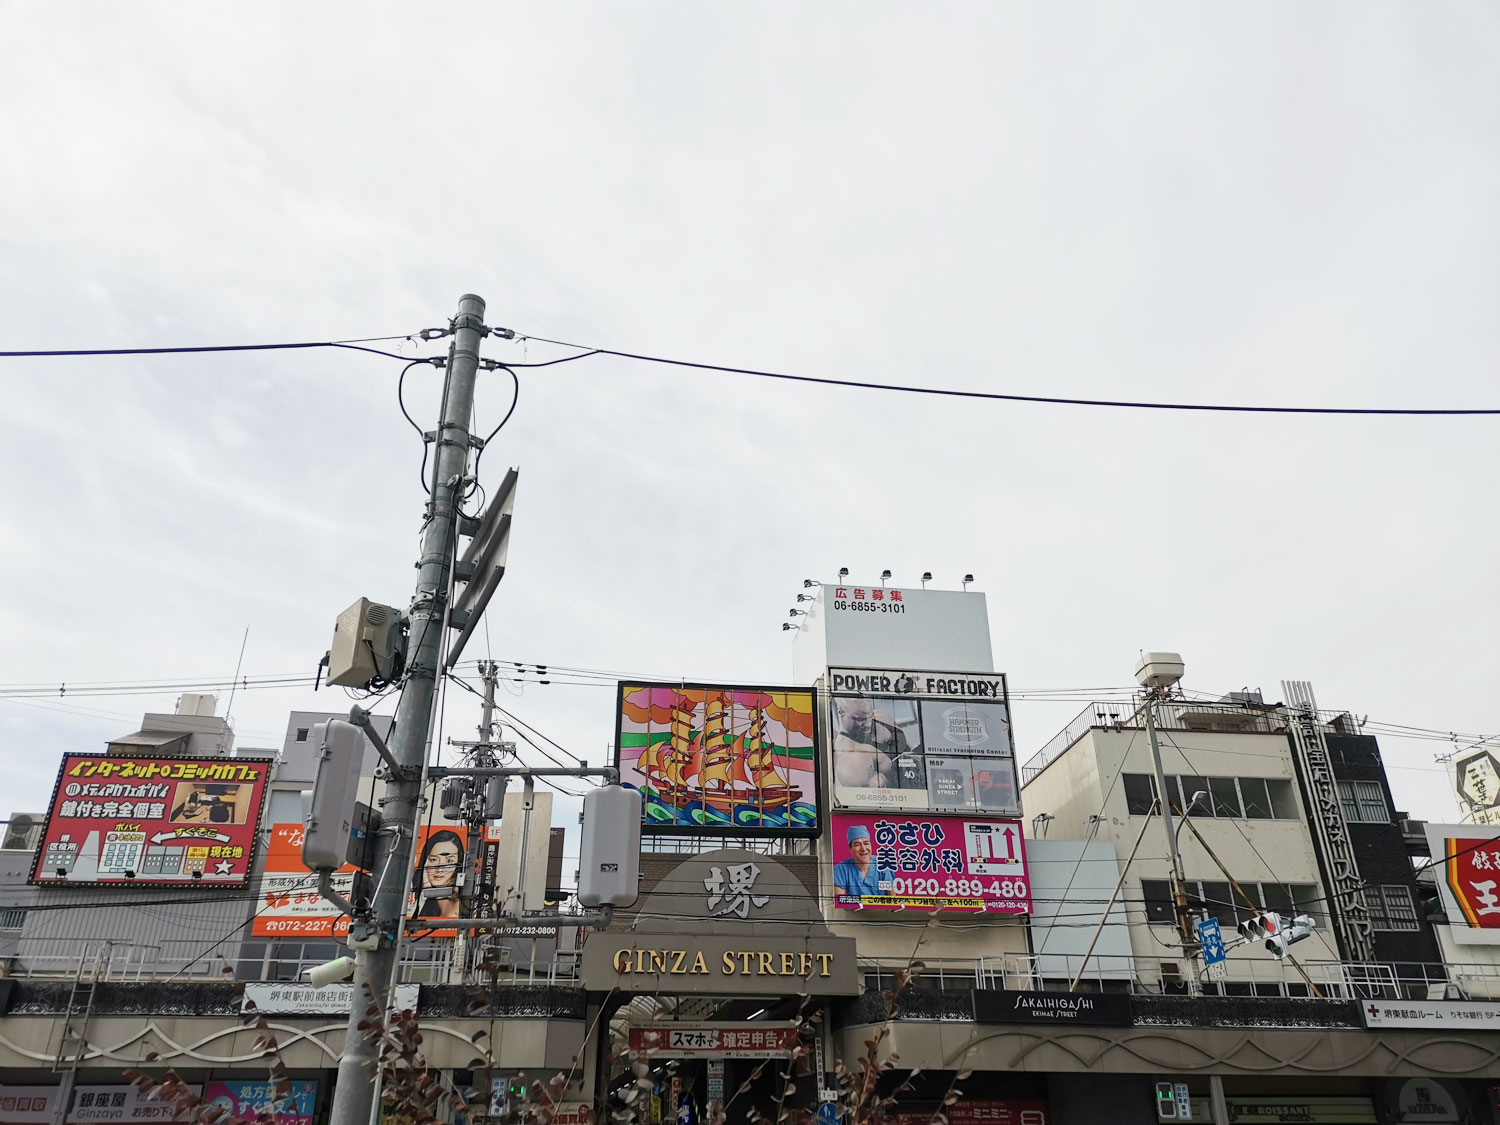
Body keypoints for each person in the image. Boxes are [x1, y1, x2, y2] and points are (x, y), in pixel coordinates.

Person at [832, 697, 916, 788]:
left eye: (870, 716)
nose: (868, 724)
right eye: (860, 719)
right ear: (841, 712)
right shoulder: (848, 758)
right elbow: (879, 789)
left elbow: (908, 750)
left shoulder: (881, 717)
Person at [831, 824, 895, 898]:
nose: (863, 848)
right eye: (857, 845)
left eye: (866, 843)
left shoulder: (881, 865)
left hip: (881, 909)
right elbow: (839, 901)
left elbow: (891, 897)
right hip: (853, 909)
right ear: (850, 848)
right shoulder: (842, 869)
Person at [413, 829, 464, 919]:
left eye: (449, 861)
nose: (439, 869)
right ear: (425, 862)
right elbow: (405, 924)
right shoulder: (414, 892)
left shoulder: (461, 898)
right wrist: (424, 893)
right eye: (433, 860)